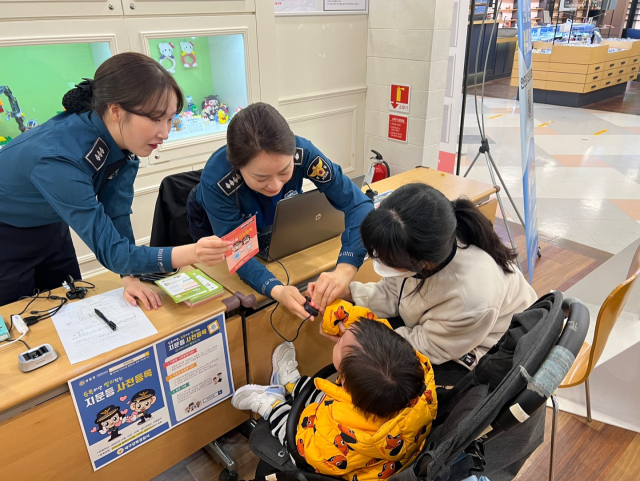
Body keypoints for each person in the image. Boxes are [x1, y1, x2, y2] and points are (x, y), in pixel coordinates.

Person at [0, 52, 230, 308]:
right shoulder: (58, 159)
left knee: (68, 304)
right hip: (6, 235)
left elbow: (116, 214)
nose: (165, 132)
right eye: (156, 119)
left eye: (170, 119)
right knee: (14, 323)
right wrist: (191, 252)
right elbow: (113, 252)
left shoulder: (121, 142)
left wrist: (129, 277)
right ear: (116, 110)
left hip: (50, 224)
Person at [186, 102, 373, 320]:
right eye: (261, 177)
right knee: (226, 290)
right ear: (238, 167)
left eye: (284, 172)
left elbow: (358, 204)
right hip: (214, 224)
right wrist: (276, 289)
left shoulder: (304, 153)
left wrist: (345, 269)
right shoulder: (216, 182)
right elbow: (238, 253)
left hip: (267, 216)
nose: (275, 186)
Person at [346, 183, 538, 385]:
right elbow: (393, 292)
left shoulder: (470, 296)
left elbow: (427, 346)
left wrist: (361, 339)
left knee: (384, 379)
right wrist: (349, 294)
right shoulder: (429, 240)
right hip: (448, 330)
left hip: (488, 350)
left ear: (423, 262)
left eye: (390, 260)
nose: (381, 263)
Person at [231, 318, 437, 480]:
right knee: (327, 395)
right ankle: (292, 384)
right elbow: (383, 336)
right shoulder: (419, 377)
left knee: (294, 434)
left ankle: (272, 403)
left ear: (345, 382)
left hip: (331, 454)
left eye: (340, 342)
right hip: (388, 436)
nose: (340, 336)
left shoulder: (333, 441)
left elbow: (309, 452)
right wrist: (349, 322)